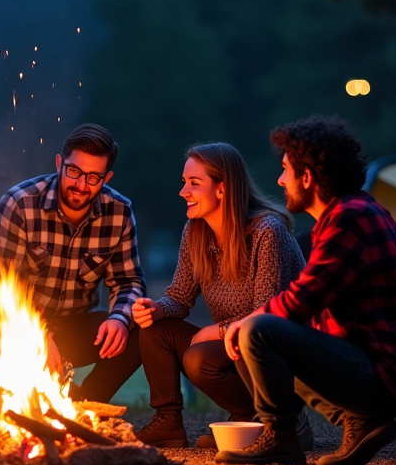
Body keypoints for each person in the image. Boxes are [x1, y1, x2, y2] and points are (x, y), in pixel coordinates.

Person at [218, 115, 396, 465]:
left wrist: (249, 322)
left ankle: (282, 437)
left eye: (286, 170)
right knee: (257, 332)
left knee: (257, 330)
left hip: (386, 375)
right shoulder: (349, 213)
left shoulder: (351, 218)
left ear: (307, 177)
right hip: (378, 369)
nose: (280, 180)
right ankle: (359, 422)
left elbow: (305, 299)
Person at [131, 143, 307, 449]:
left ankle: (280, 421)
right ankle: (168, 423)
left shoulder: (267, 231)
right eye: (184, 183)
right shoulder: (195, 231)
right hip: (234, 344)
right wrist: (157, 309)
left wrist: (217, 331)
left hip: (278, 351)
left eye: (194, 183)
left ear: (223, 189)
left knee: (200, 358)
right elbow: (180, 298)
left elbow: (267, 317)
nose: (183, 191)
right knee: (155, 331)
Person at [0, 123, 145, 402]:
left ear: (106, 177)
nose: (81, 185)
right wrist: (37, 336)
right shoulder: (19, 203)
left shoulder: (119, 212)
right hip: (15, 326)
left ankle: (85, 406)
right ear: (60, 163)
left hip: (76, 327)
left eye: (93, 177)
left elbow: (128, 281)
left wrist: (120, 318)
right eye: (74, 171)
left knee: (140, 332)